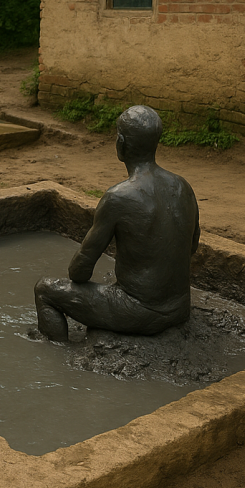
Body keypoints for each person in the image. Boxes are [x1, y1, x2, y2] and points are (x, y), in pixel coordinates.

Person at [34, 105, 199, 341]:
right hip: (179, 308)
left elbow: (79, 271)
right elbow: (191, 246)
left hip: (139, 312)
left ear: (121, 144)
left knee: (44, 290)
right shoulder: (183, 187)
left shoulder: (118, 197)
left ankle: (59, 360)